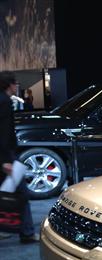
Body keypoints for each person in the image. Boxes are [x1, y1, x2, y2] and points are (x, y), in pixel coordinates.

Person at [0, 71, 38, 243]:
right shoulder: (5, 102)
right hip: (6, 156)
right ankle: (27, 232)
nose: (17, 86)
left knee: (5, 191)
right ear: (10, 84)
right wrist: (6, 161)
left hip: (3, 156)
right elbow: (4, 133)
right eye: (15, 83)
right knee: (21, 193)